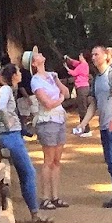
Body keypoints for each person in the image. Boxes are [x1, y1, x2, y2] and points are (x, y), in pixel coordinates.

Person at [0, 62, 50, 223]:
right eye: (18, 72)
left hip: (12, 135)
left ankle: (34, 211)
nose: (21, 74)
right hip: (11, 136)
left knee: (26, 173)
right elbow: (2, 109)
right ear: (13, 76)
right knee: (28, 173)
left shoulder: (5, 90)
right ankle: (35, 213)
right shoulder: (5, 90)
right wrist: (8, 124)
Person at [75, 43, 112, 212]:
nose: (93, 57)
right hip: (105, 124)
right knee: (109, 160)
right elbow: (94, 104)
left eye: (96, 54)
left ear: (105, 56)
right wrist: (83, 123)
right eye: (92, 55)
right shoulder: (97, 79)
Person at [23, 48, 69, 211]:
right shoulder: (35, 81)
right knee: (48, 161)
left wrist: (57, 82)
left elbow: (66, 92)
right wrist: (60, 99)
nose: (40, 55)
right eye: (36, 56)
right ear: (34, 64)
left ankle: (55, 196)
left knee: (56, 161)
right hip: (47, 121)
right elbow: (47, 103)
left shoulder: (51, 76)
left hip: (59, 119)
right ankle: (44, 197)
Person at [64, 51, 92, 121]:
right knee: (82, 105)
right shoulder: (83, 64)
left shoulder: (82, 65)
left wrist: (66, 67)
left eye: (80, 55)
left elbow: (74, 73)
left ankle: (84, 124)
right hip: (83, 87)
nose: (79, 56)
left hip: (81, 88)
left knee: (82, 106)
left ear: (83, 57)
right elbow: (74, 62)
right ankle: (84, 123)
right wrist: (69, 59)